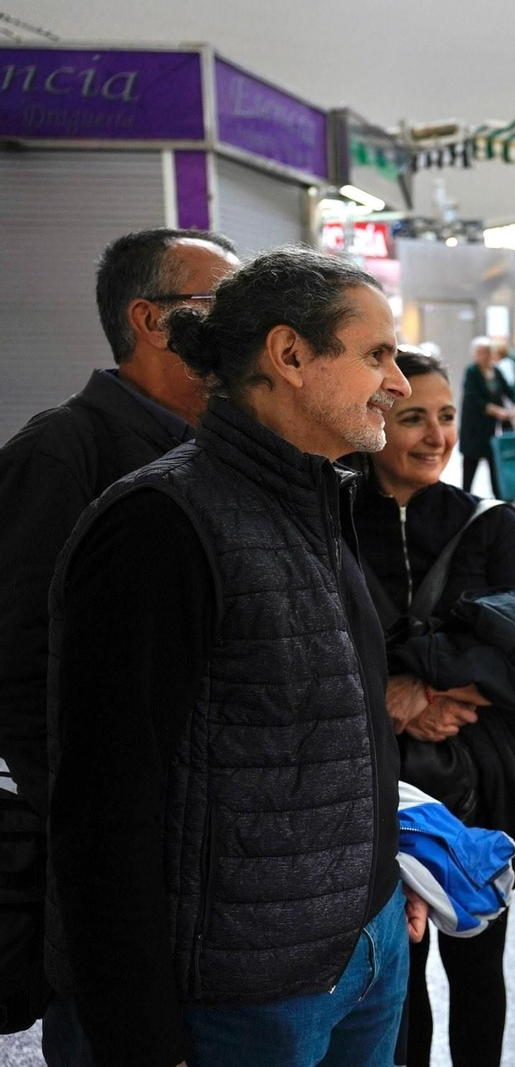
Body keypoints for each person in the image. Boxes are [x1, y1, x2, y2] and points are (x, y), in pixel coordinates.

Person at [47, 246, 423, 1066]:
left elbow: (333, 731)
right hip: (242, 999)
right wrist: (142, 1036)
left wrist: (382, 880)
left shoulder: (319, 499)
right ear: (290, 355)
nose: (397, 384)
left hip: (365, 950)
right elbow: (102, 806)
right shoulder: (160, 525)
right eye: (376, 355)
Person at [0, 227, 238, 1055]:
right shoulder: (62, 453)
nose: (238, 325)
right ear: (150, 319)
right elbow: (21, 674)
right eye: (217, 304)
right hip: (118, 882)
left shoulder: (220, 450)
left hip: (217, 881)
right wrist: (103, 835)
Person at [351, 349, 515, 1067]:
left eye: (446, 416)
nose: (436, 436)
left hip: (475, 786)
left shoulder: (488, 524)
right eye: (413, 418)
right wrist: (388, 702)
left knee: (477, 965)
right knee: (394, 978)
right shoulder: (332, 520)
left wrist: (423, 693)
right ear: (374, 419)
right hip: (373, 787)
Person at [460, 336, 515, 497]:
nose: (484, 356)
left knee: (495, 466)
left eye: (487, 352)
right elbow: (473, 398)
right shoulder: (472, 372)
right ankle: (465, 500)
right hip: (474, 428)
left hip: (491, 429)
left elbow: (509, 391)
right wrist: (496, 411)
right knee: (470, 467)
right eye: (480, 352)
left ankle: (499, 499)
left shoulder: (496, 371)